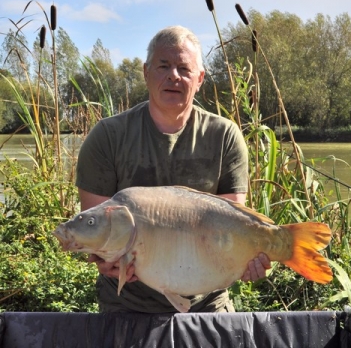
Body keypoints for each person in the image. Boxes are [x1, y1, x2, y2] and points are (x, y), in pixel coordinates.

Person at [76, 25, 271, 313]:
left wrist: (249, 257)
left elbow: (233, 222)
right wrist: (105, 260)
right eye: (163, 66)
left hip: (207, 302)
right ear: (145, 72)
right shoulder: (107, 136)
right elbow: (96, 230)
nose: (173, 76)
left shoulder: (225, 135)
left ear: (200, 78)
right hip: (127, 303)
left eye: (184, 68)